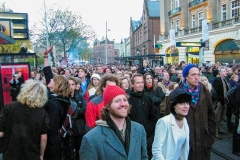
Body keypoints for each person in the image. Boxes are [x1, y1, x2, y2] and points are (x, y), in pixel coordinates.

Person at [80, 85, 148, 160]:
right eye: (117, 101)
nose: (123, 104)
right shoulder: (91, 138)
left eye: (125, 100)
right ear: (107, 106)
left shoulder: (139, 129)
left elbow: (144, 157)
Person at [0, 79, 50, 160]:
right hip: (32, 154)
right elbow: (43, 138)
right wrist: (41, 155)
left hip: (11, 153)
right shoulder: (42, 113)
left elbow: (1, 133)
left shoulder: (9, 107)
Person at [177, 64, 216, 160]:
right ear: (186, 76)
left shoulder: (204, 91)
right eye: (193, 75)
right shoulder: (178, 92)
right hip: (185, 140)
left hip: (203, 139)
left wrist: (210, 136)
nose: (196, 77)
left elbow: (211, 114)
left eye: (198, 74)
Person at [42, 45, 71, 160]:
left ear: (57, 85)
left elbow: (51, 129)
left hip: (51, 146)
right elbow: (48, 73)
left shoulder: (55, 104)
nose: (50, 80)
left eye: (53, 80)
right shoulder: (56, 97)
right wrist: (45, 57)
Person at [152, 88, 191, 160]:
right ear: (174, 105)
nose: (186, 106)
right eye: (182, 103)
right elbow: (156, 150)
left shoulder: (184, 121)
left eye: (187, 103)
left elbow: (182, 150)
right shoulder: (164, 121)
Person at [128, 73, 159, 158]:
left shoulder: (148, 98)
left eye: (142, 82)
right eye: (138, 83)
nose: (140, 85)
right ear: (132, 84)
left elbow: (153, 116)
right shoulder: (127, 99)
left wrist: (151, 131)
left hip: (148, 136)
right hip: (132, 135)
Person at [213, 68, 230, 139]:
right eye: (224, 71)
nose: (226, 72)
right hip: (219, 102)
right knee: (217, 117)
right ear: (220, 73)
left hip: (225, 101)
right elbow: (216, 92)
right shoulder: (217, 80)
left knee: (222, 116)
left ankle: (220, 129)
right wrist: (218, 101)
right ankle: (215, 131)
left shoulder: (225, 80)